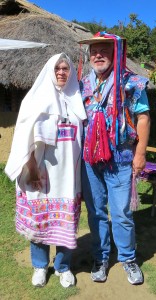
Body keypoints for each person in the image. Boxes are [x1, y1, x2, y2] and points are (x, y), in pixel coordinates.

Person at [5, 53, 87, 288]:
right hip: (40, 172)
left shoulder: (76, 99)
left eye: (66, 68)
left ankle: (63, 266)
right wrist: (31, 167)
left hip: (68, 175)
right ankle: (40, 266)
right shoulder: (35, 99)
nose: (62, 72)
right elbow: (24, 137)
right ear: (50, 70)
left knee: (65, 221)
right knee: (39, 220)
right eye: (58, 68)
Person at [78, 32, 150, 285]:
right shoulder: (82, 84)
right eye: (94, 51)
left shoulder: (132, 82)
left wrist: (140, 153)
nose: (98, 55)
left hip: (120, 160)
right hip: (89, 162)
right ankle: (101, 257)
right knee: (96, 212)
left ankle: (128, 258)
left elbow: (143, 117)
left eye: (104, 51)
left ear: (115, 53)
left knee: (120, 213)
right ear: (89, 57)